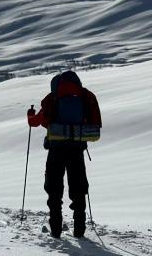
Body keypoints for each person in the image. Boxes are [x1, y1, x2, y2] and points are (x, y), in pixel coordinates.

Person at [25, 70, 102, 238]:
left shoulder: (52, 98)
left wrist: (30, 116)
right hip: (77, 149)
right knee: (78, 188)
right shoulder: (85, 97)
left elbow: (38, 121)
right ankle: (79, 231)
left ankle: (56, 231)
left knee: (54, 189)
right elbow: (94, 122)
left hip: (56, 150)